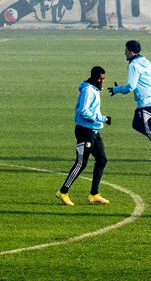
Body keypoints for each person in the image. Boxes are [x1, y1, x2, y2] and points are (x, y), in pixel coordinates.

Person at [56, 66, 112, 207]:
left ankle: (94, 194)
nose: (102, 81)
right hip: (84, 131)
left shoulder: (95, 90)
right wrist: (102, 118)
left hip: (94, 131)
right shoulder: (87, 90)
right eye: (100, 78)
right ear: (93, 77)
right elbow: (83, 111)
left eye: (104, 79)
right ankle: (63, 192)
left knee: (102, 159)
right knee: (81, 163)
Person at [108, 40, 151, 161]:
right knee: (136, 125)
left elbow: (131, 87)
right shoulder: (145, 60)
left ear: (131, 52)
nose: (124, 53)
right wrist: (150, 88)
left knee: (146, 128)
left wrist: (116, 89)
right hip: (149, 98)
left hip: (144, 100)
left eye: (126, 51)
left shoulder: (133, 65)